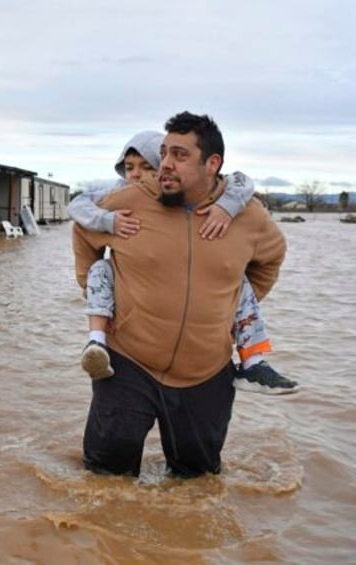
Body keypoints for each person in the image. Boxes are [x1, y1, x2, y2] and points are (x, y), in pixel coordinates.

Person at [72, 112, 287, 477]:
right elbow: (83, 232)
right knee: (104, 482)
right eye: (165, 153)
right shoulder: (131, 201)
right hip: (127, 364)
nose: (165, 165)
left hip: (206, 372)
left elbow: (271, 257)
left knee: (196, 482)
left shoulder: (247, 215)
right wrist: (105, 299)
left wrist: (224, 308)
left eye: (180, 155)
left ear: (212, 163)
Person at [68, 130, 298, 394]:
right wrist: (107, 223)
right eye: (129, 167)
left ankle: (253, 362)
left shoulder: (217, 202)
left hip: (205, 366)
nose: (136, 174)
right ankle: (96, 342)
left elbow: (242, 183)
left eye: (146, 167)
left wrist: (222, 303)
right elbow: (79, 211)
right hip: (130, 353)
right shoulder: (121, 199)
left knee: (237, 281)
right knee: (100, 270)